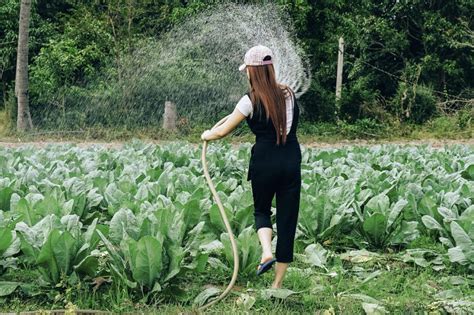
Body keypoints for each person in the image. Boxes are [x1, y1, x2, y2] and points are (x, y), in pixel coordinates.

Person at [201, 45, 301, 289]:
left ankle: (266, 252)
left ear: (253, 72)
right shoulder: (288, 93)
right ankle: (277, 285)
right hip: (290, 160)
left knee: (262, 211)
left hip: (265, 162)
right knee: (287, 220)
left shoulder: (250, 100)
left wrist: (207, 134)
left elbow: (223, 130)